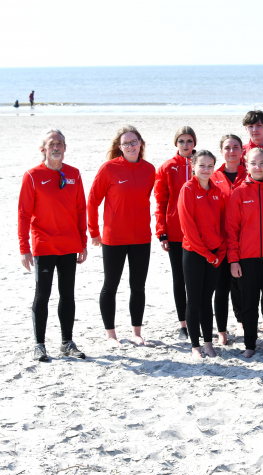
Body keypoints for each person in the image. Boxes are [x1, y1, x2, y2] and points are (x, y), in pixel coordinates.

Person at [18, 129, 88, 361]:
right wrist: (24, 248)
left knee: (67, 294)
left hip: (69, 245)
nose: (56, 147)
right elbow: (23, 214)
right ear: (44, 149)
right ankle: (39, 345)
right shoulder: (32, 176)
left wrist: (83, 242)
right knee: (43, 295)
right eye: (51, 144)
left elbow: (81, 210)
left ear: (65, 148)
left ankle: (67, 342)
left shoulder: (74, 174)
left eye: (60, 143)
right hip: (44, 246)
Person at [88, 125, 155, 348]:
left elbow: (146, 197)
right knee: (111, 286)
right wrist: (94, 232)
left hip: (141, 237)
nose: (131, 146)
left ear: (140, 143)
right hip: (114, 238)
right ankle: (111, 335)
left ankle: (137, 333)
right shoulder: (109, 168)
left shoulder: (149, 169)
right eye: (126, 143)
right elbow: (93, 201)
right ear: (120, 146)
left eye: (134, 142)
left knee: (138, 286)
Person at [225, 147, 263, 359]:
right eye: (253, 163)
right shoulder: (238, 193)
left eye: (262, 163)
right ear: (246, 165)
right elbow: (232, 229)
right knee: (249, 305)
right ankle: (250, 344)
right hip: (246, 258)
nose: (258, 167)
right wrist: (234, 260)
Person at [177, 149, 227, 359]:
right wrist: (207, 253)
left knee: (207, 299)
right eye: (202, 165)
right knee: (194, 300)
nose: (206, 170)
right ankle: (195, 346)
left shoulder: (217, 191)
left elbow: (222, 223)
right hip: (194, 253)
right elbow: (188, 227)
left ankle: (208, 343)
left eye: (210, 166)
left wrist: (220, 251)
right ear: (193, 166)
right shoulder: (188, 189)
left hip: (215, 254)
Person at [153, 126, 197, 340]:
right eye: (181, 141)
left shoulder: (202, 163)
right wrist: (161, 231)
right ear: (176, 143)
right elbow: (160, 201)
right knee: (179, 279)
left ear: (194, 143)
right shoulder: (167, 167)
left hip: (199, 231)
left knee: (196, 280)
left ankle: (198, 320)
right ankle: (183, 324)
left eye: (189, 141)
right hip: (175, 232)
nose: (185, 145)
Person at [211, 134, 250, 342]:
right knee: (222, 287)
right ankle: (222, 331)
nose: (232, 151)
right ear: (221, 151)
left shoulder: (250, 174)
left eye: (236, 147)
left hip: (245, 240)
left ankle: (242, 321)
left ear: (242, 151)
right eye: (227, 147)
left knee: (241, 284)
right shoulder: (213, 177)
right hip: (220, 241)